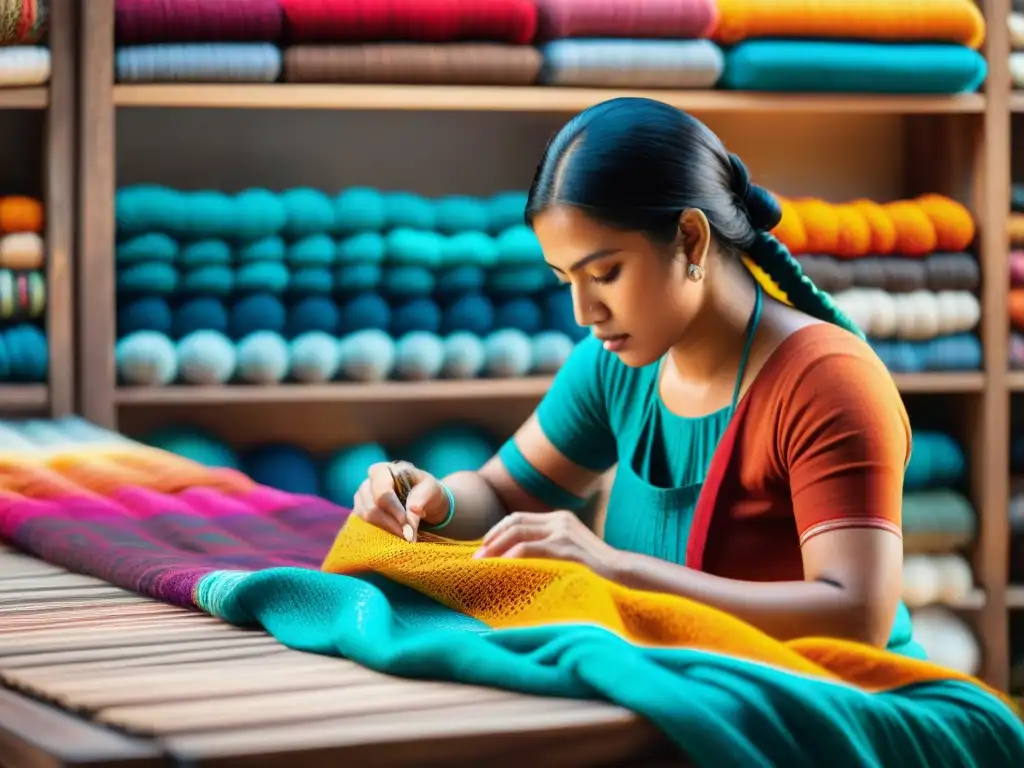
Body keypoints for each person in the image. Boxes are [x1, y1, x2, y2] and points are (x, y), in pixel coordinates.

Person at [353, 97, 916, 654]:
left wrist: (615, 570)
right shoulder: (616, 367)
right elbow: (502, 494)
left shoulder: (826, 382)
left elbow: (857, 616)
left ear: (691, 239)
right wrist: (430, 499)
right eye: (564, 279)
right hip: (690, 699)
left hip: (835, 707)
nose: (582, 312)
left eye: (605, 273)